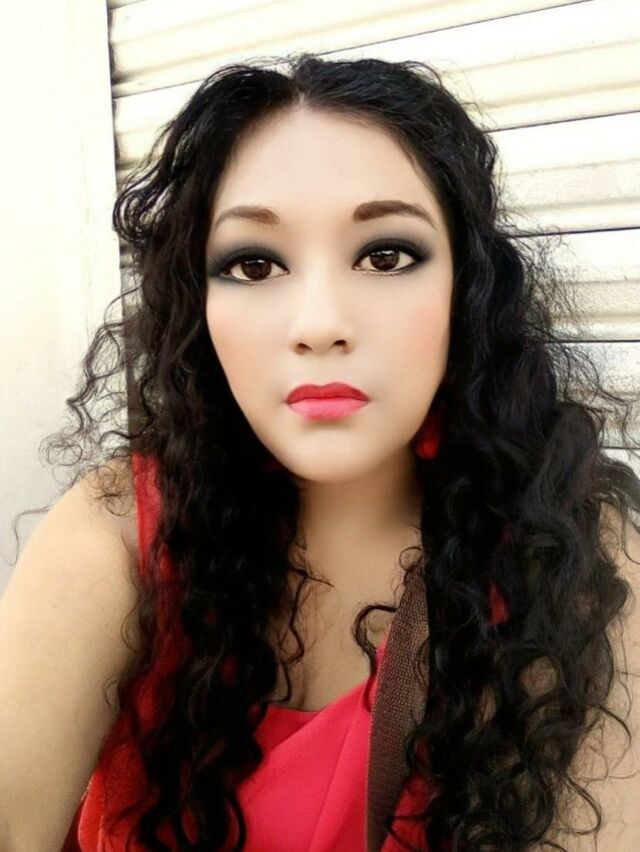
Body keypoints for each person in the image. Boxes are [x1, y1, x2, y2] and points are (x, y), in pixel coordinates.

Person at [2, 51, 640, 851]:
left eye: (386, 255)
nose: (319, 323)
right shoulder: (117, 534)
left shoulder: (572, 561)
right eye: (254, 263)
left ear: (467, 290)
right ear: (200, 306)